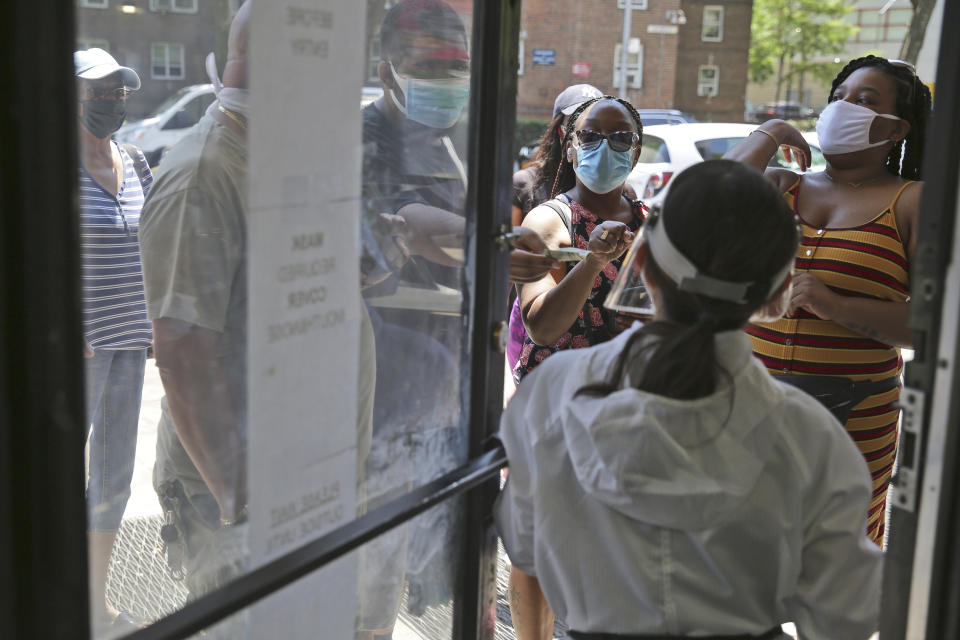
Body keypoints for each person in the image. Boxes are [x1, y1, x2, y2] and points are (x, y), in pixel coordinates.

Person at [495, 159, 883, 640]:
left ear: (640, 268)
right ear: (779, 295)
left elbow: (526, 544)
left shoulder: (553, 391)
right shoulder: (811, 435)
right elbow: (844, 617)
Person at [724, 54, 931, 546]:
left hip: (856, 417)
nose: (843, 108)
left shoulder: (912, 200)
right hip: (750, 403)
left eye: (864, 101)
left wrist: (837, 305)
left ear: (897, 128)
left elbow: (934, 323)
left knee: (835, 564)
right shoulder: (782, 184)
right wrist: (771, 130)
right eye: (838, 98)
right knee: (740, 557)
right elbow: (711, 197)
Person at [139, 2, 253, 612]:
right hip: (224, 486)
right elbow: (181, 353)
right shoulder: (203, 175)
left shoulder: (266, 157)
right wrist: (238, 501)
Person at [74, 47, 153, 633]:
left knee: (113, 479)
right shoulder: (48, 169)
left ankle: (95, 602)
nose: (111, 102)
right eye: (99, 92)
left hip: (130, 341)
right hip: (79, 349)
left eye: (119, 92)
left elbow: (157, 239)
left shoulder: (136, 161)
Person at [513, 95, 645, 383]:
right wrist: (593, 263)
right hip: (560, 396)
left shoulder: (647, 222)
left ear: (634, 155)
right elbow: (542, 329)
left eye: (621, 138)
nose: (605, 146)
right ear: (570, 150)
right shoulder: (547, 221)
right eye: (589, 136)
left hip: (628, 393)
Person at [506, 84, 603, 375]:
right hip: (535, 323)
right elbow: (508, 259)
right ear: (560, 128)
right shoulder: (524, 183)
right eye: (578, 122)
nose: (597, 140)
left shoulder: (625, 198)